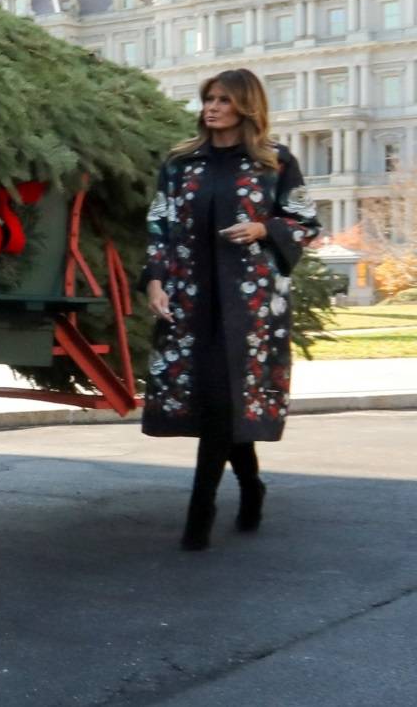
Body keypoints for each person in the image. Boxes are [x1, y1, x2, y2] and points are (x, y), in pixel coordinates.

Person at [140, 68, 320, 551]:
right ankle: (251, 486)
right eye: (207, 99)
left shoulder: (275, 163)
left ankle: (200, 512)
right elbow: (160, 224)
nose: (211, 107)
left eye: (222, 100)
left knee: (223, 400)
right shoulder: (181, 164)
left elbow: (304, 221)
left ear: (246, 106)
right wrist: (156, 280)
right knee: (220, 402)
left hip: (251, 307)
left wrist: (264, 230)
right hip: (191, 300)